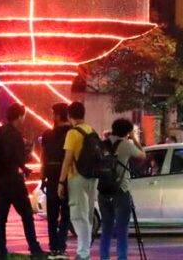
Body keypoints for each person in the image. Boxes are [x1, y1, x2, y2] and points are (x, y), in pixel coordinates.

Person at [0, 104, 44, 259]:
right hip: (13, 181)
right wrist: (27, 152)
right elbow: (18, 157)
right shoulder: (15, 135)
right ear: (19, 116)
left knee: (1, 217)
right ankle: (34, 248)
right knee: (27, 214)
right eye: (23, 116)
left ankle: (0, 250)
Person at [98, 118, 145, 260]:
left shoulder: (102, 144)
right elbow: (143, 155)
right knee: (122, 231)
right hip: (121, 191)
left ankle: (104, 257)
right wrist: (134, 138)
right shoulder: (126, 145)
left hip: (103, 191)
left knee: (106, 229)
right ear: (127, 132)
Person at [58, 102, 97, 260]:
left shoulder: (72, 133)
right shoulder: (91, 130)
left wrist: (61, 182)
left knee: (77, 215)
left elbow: (68, 159)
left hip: (77, 176)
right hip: (92, 177)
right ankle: (85, 251)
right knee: (87, 215)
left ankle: (83, 253)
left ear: (69, 116)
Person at [39, 103, 72, 260]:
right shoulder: (71, 132)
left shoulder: (47, 134)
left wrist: (42, 176)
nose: (52, 117)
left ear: (58, 115)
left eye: (53, 114)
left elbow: (43, 157)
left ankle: (54, 247)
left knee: (52, 215)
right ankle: (61, 246)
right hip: (67, 178)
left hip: (51, 178)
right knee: (65, 214)